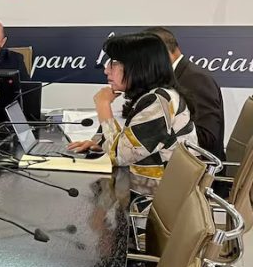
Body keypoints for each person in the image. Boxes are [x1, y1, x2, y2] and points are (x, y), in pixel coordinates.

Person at [67, 33, 197, 193]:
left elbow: (118, 156)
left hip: (158, 198)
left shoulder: (159, 101)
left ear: (137, 66)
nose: (106, 70)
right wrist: (101, 144)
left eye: (113, 64)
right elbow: (128, 143)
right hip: (150, 188)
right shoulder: (155, 96)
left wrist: (103, 104)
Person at [144, 27, 225, 160]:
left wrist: (154, 133)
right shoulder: (170, 76)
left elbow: (207, 138)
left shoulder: (197, 80)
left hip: (196, 168)